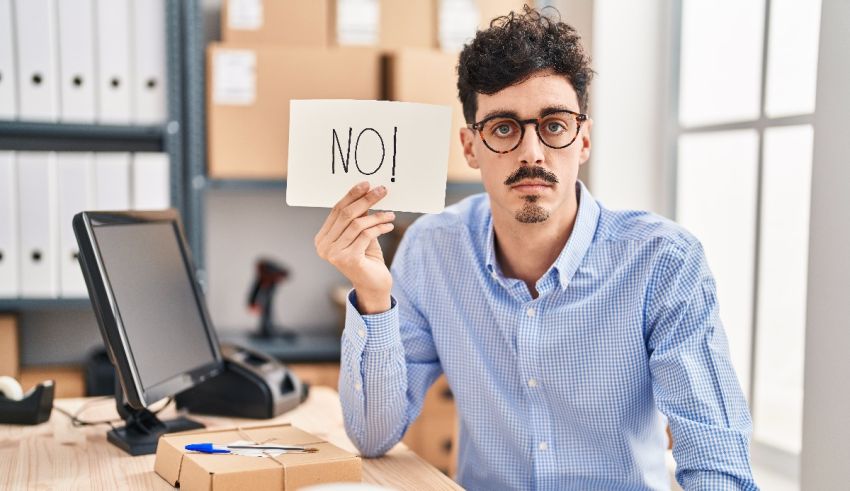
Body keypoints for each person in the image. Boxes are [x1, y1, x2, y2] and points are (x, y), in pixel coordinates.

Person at [314, 6, 757, 490]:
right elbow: (374, 437)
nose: (532, 152)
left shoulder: (663, 262)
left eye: (554, 124)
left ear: (583, 139)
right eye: (504, 128)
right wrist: (373, 295)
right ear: (470, 146)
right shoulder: (432, 249)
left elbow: (717, 460)